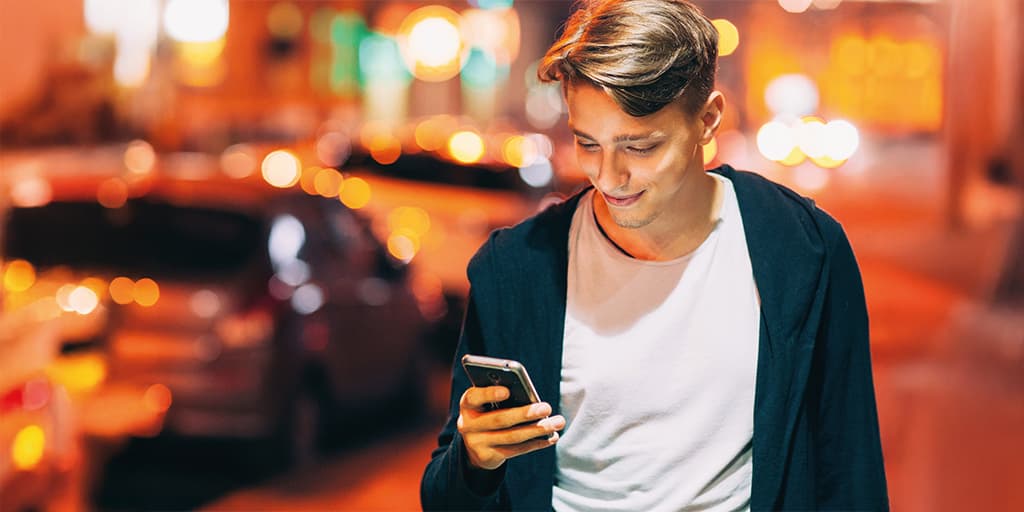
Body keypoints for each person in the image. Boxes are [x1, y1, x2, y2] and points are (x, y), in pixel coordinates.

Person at [421, 0, 889, 509]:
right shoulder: (515, 269)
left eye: (640, 147)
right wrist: (475, 459)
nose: (609, 176)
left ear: (707, 120)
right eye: (588, 143)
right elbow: (444, 495)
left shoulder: (803, 249)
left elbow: (850, 471)